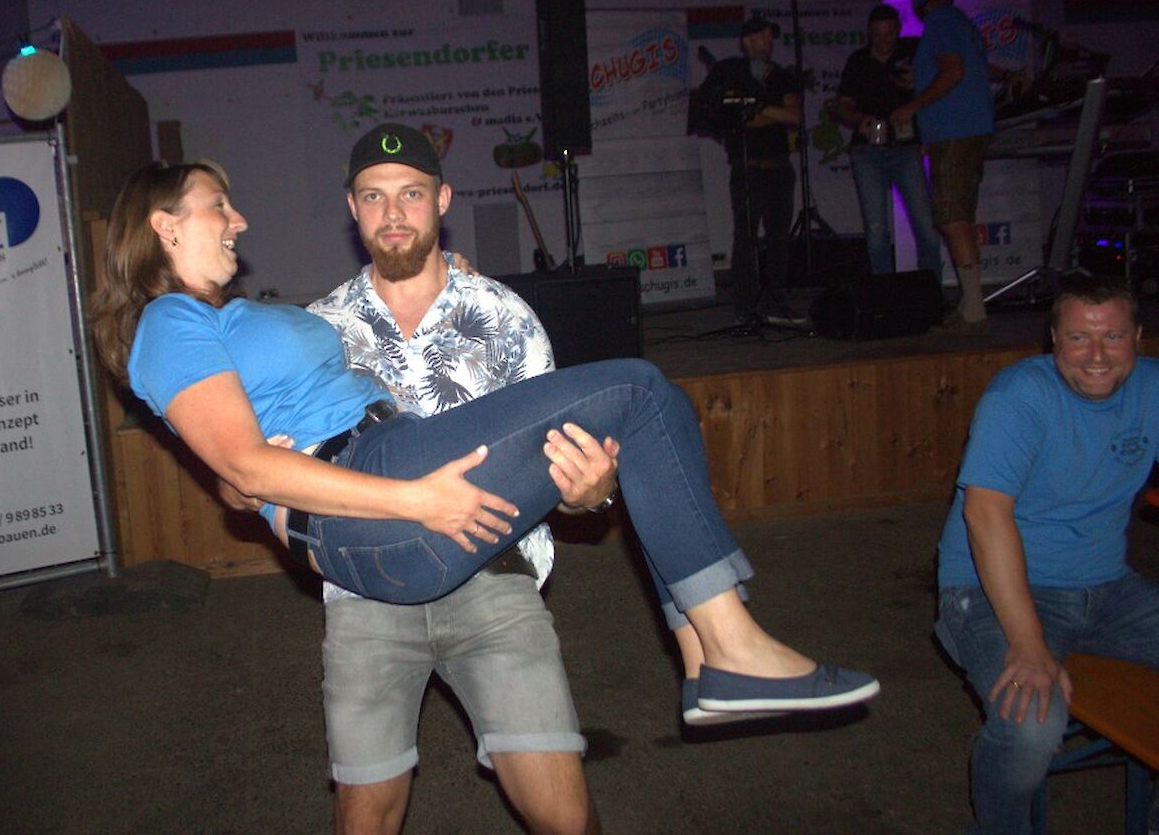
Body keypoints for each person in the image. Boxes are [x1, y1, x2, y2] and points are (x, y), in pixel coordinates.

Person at [88, 157, 881, 725]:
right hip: (377, 493)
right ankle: (729, 650)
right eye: (219, 206)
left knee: (652, 404)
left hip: (392, 469)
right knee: (638, 389)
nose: (238, 220)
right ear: (165, 225)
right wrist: (413, 500)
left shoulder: (227, 317)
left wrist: (448, 277)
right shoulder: (169, 321)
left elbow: (250, 445)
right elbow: (243, 466)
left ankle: (707, 657)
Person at [294, 123, 612, 833]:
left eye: (411, 194)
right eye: (373, 197)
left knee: (565, 815)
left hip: (493, 577)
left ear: (442, 200)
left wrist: (589, 494)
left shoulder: (504, 319)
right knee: (364, 816)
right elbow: (281, 473)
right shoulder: (315, 335)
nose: (393, 213)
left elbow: (555, 462)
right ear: (352, 208)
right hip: (367, 590)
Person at [933, 274, 1159, 834]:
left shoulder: (1153, 388)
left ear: (1137, 337)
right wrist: (1028, 643)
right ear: (1054, 340)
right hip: (993, 589)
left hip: (1108, 587)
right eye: (1079, 338)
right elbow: (986, 515)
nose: (1097, 356)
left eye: (1113, 337)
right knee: (1031, 726)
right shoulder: (1019, 397)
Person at [890, 0, 996, 330]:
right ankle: (971, 301)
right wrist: (919, 79)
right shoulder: (960, 22)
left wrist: (912, 106)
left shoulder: (941, 21)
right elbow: (972, 68)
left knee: (952, 217)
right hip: (964, 130)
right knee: (960, 215)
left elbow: (953, 71)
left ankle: (974, 307)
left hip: (954, 131)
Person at [695, 15, 805, 326]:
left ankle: (776, 301)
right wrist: (760, 111)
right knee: (745, 238)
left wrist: (757, 106)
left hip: (779, 168)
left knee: (778, 239)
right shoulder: (731, 72)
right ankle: (744, 306)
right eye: (761, 36)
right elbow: (735, 117)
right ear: (746, 40)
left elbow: (794, 115)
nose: (767, 42)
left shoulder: (780, 75)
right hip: (748, 168)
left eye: (770, 37)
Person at [835, 4, 942, 278]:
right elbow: (842, 105)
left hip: (906, 149)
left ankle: (930, 290)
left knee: (925, 225)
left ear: (898, 30)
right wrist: (860, 120)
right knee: (876, 229)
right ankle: (885, 292)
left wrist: (919, 83)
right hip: (868, 152)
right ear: (869, 33)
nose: (883, 41)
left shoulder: (914, 51)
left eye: (888, 34)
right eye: (877, 35)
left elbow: (944, 79)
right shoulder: (858, 61)